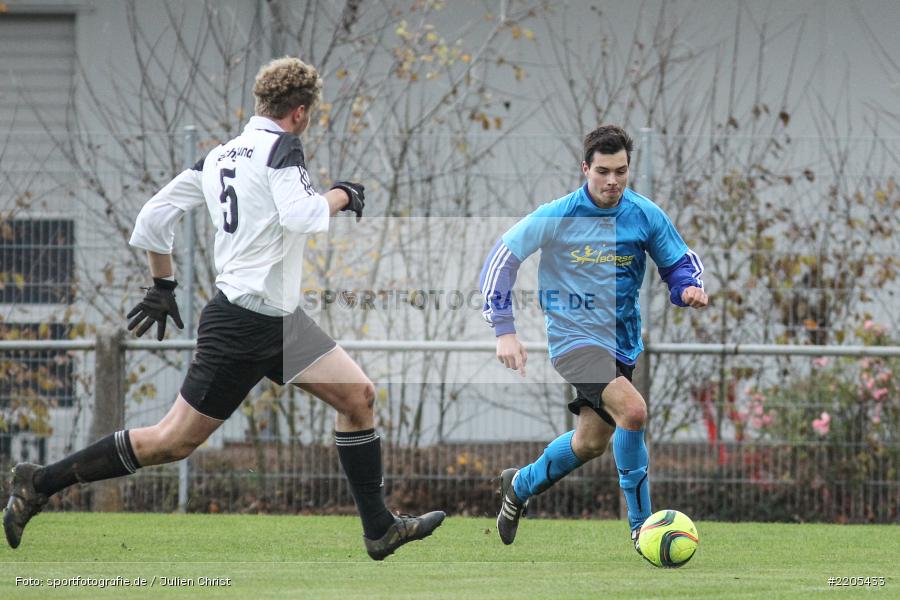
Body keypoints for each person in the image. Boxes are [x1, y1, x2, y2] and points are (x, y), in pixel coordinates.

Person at [4, 57, 444, 560]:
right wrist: (343, 194)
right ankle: (39, 482)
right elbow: (302, 216)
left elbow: (153, 218)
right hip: (241, 325)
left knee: (358, 398)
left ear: (261, 103)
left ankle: (380, 529)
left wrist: (163, 283)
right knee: (171, 443)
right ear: (300, 112)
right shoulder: (284, 147)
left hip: (279, 322)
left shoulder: (218, 157)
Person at [478, 125, 708, 554]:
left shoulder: (644, 214)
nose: (612, 181)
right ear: (586, 168)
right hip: (573, 340)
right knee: (634, 411)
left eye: (620, 171)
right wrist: (504, 330)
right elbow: (502, 259)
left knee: (589, 444)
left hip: (620, 343)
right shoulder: (559, 213)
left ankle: (519, 484)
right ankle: (643, 530)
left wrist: (687, 288)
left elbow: (678, 262)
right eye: (603, 171)